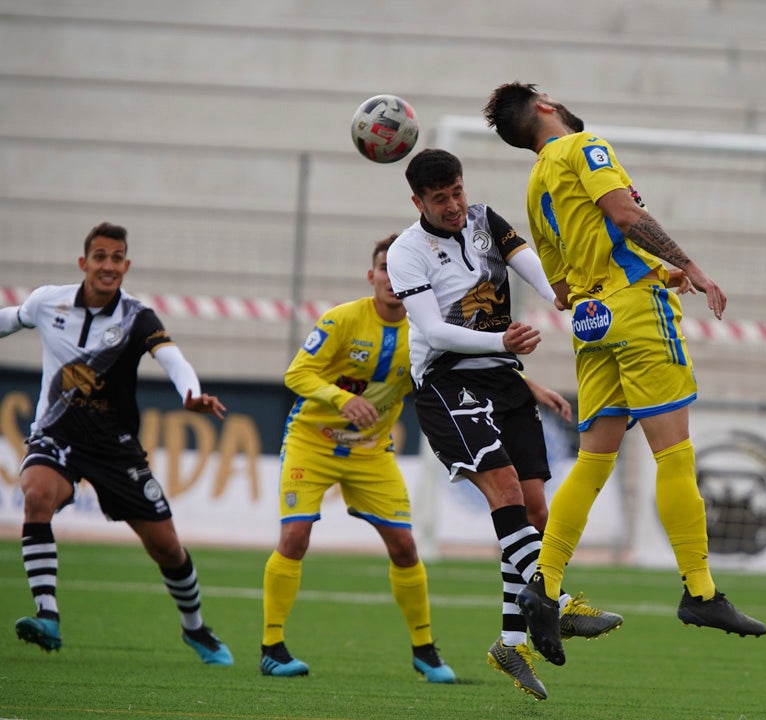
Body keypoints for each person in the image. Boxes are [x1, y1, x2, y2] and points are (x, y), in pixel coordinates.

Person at [482, 82, 766, 667]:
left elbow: (562, 290)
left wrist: (652, 275)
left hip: (590, 321)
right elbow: (624, 213)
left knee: (593, 461)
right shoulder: (584, 146)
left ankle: (545, 585)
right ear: (543, 106)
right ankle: (700, 591)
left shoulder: (536, 186)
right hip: (634, 314)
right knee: (674, 454)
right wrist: (686, 266)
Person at [385, 148, 623, 701]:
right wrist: (502, 340)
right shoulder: (406, 252)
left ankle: (511, 643)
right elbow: (432, 331)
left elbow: (538, 273)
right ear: (417, 201)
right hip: (448, 381)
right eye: (440, 198)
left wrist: (578, 294)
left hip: (504, 377)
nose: (453, 205)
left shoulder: (486, 220)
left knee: (534, 509)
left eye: (457, 192)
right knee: (506, 492)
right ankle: (557, 604)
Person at [0, 221, 232, 665]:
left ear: (126, 265)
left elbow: (172, 357)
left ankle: (195, 628)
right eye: (100, 257)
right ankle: (47, 615)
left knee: (166, 547)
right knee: (36, 495)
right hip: (56, 435)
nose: (108, 266)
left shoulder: (137, 317)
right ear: (83, 263)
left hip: (116, 449)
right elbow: (10, 320)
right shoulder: (48, 302)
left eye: (116, 258)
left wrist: (190, 393)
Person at [259, 234, 455, 682]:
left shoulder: (426, 334)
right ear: (371, 276)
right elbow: (296, 373)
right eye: (382, 268)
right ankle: (272, 647)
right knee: (295, 537)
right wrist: (338, 398)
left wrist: (532, 388)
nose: (389, 277)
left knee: (405, 547)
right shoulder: (341, 320)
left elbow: (464, 372)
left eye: (397, 269)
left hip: (372, 453)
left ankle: (425, 652)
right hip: (313, 441)